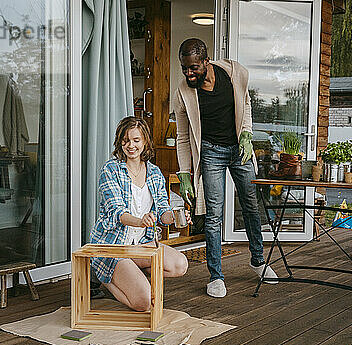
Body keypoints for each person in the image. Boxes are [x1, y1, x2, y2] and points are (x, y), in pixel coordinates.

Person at [173, 38, 277, 298]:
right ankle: (216, 276)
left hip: (239, 152)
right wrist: (184, 174)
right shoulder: (183, 92)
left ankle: (258, 260)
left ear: (206, 62)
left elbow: (247, 104)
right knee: (213, 215)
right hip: (210, 153)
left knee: (252, 206)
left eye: (193, 68)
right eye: (184, 68)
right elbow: (182, 136)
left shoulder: (234, 73)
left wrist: (247, 133)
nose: (188, 73)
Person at [90, 116, 189, 311]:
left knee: (180, 264)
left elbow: (162, 211)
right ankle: (104, 278)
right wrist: (140, 221)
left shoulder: (154, 172)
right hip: (114, 245)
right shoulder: (110, 170)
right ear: (120, 142)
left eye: (136, 140)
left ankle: (129, 273)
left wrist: (177, 218)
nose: (130, 145)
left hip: (140, 244)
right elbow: (117, 213)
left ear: (145, 142)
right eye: (126, 140)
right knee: (144, 303)